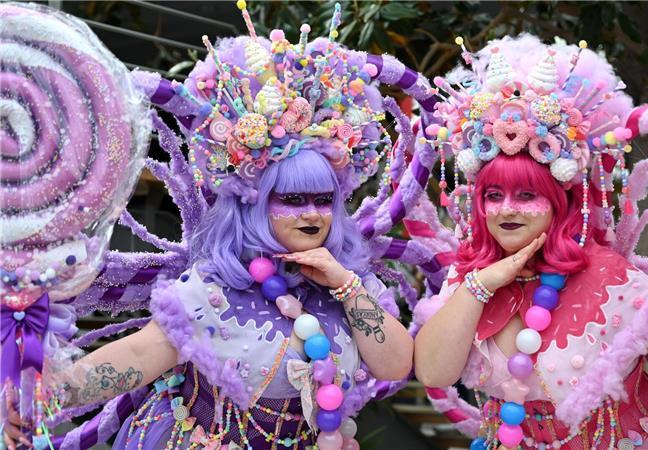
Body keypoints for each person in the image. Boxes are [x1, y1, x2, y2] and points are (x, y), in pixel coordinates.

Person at [3, 5, 417, 449]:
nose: (312, 213)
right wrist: (42, 399)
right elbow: (140, 355)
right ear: (254, 205)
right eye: (292, 200)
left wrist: (344, 284)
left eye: (323, 200)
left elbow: (395, 365)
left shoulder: (352, 288)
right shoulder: (214, 290)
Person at [413, 35, 648, 449]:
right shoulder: (468, 278)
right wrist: (483, 283)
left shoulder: (604, 277)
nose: (507, 210)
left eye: (527, 195)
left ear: (559, 201)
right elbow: (434, 372)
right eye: (494, 196)